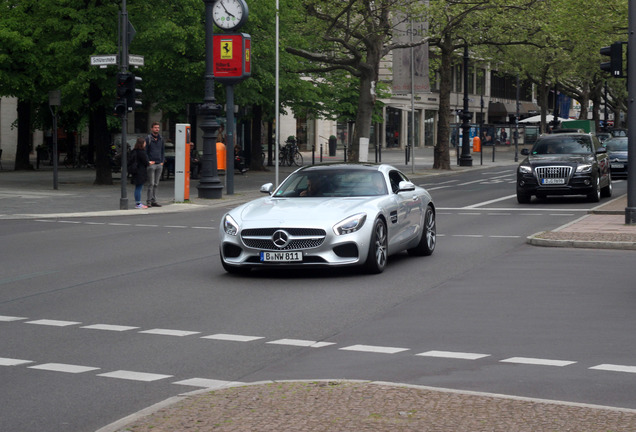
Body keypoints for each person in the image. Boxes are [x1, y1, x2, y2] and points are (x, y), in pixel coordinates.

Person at [145, 122, 165, 207]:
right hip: (151, 164)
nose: (157, 129)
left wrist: (162, 161)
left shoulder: (161, 138)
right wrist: (148, 161)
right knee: (151, 183)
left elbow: (162, 151)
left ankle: (154, 200)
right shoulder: (148, 139)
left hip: (159, 163)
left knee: (156, 183)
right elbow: (145, 151)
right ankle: (149, 200)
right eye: (155, 127)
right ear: (152, 129)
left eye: (158, 127)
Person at [130, 137, 149, 209]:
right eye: (144, 143)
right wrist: (149, 162)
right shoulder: (142, 152)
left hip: (135, 170)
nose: (145, 144)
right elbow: (146, 162)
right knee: (139, 187)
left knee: (137, 187)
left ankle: (138, 202)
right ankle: (138, 203)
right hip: (141, 171)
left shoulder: (134, 151)